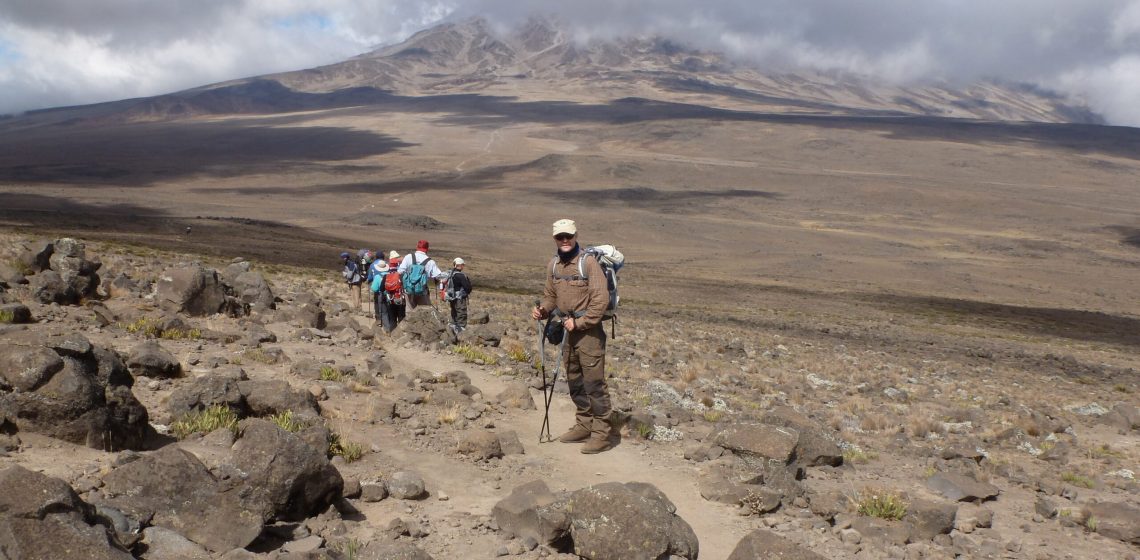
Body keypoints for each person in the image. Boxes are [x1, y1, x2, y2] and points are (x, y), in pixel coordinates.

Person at [531, 219, 615, 454]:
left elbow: (600, 300)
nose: (565, 240)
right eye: (560, 237)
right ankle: (583, 424)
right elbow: (550, 295)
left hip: (589, 333)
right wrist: (544, 310)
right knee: (575, 381)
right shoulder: (554, 265)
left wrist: (579, 322)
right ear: (555, 239)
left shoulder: (587, 264)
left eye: (568, 236)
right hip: (568, 331)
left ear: (576, 235)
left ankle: (601, 434)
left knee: (594, 384)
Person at [397, 240, 444, 310]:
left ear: (417, 247)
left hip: (408, 290)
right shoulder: (430, 262)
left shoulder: (408, 257)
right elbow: (438, 276)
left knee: (409, 312)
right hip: (423, 291)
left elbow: (400, 271)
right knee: (425, 311)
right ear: (427, 249)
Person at [447, 257, 473, 334]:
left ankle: (453, 332)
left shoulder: (450, 274)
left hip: (452, 298)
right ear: (460, 265)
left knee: (454, 314)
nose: (463, 266)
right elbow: (468, 288)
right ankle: (461, 334)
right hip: (460, 299)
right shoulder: (461, 275)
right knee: (461, 315)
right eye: (462, 265)